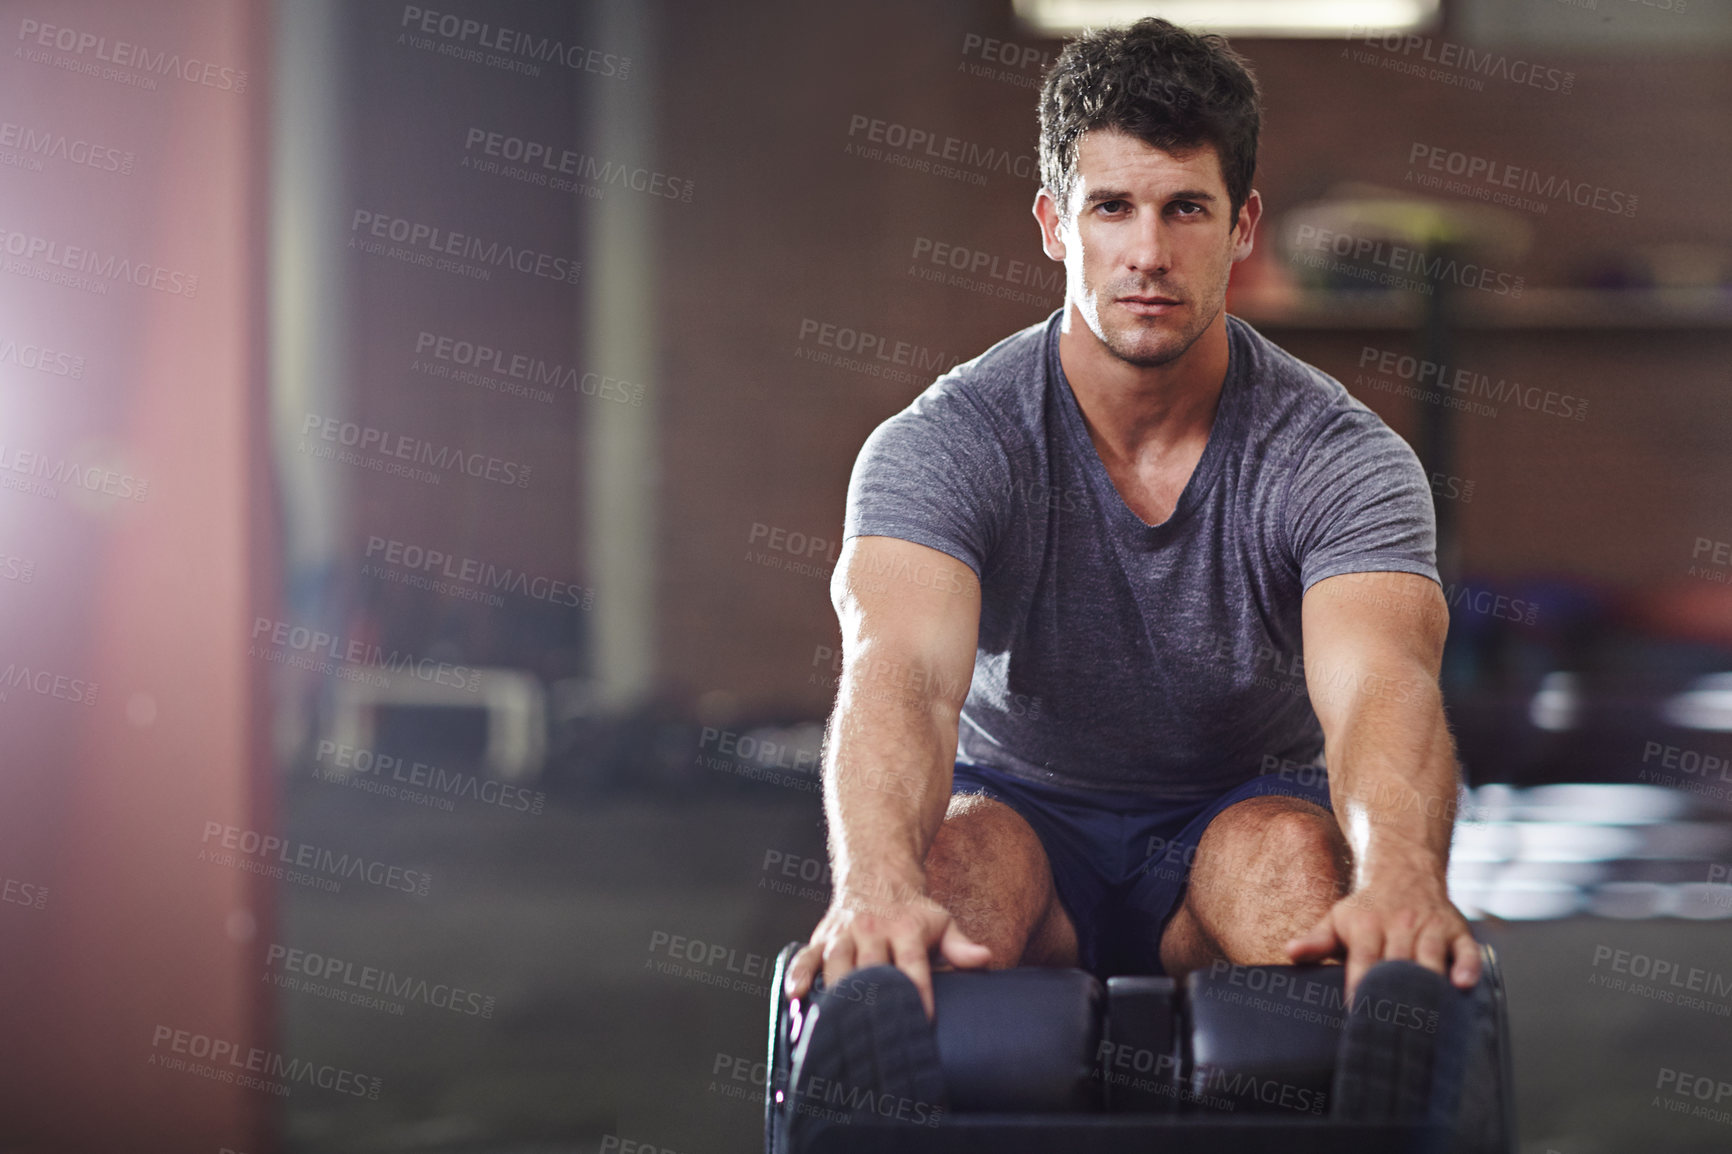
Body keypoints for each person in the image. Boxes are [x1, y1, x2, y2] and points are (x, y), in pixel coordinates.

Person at [783, 17, 1480, 1022]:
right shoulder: (945, 443)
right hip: (1019, 815)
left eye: (1183, 209)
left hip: (1233, 821)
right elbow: (905, 676)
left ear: (1242, 226)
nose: (1147, 252)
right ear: (1054, 223)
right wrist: (875, 886)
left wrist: (1403, 880)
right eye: (1111, 207)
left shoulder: (1339, 455)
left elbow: (1379, 683)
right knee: (934, 893)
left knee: (1316, 900)